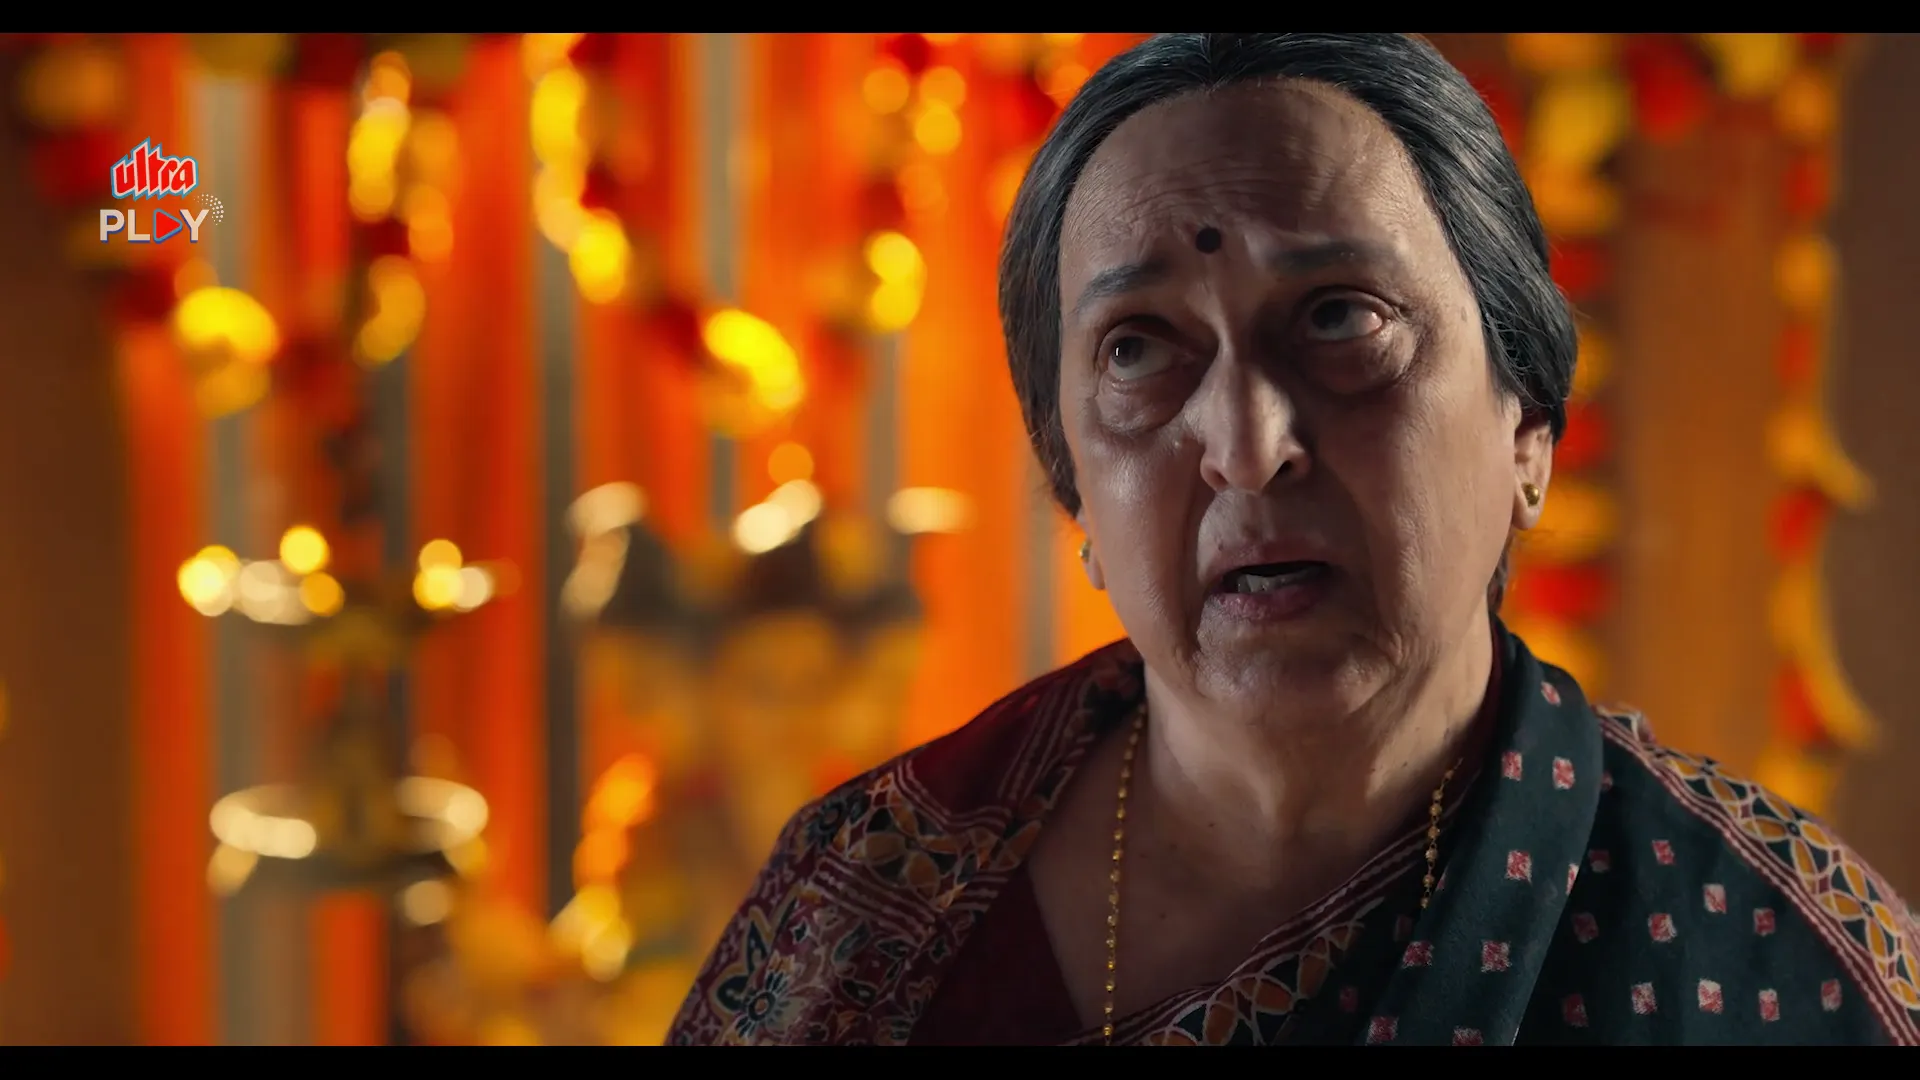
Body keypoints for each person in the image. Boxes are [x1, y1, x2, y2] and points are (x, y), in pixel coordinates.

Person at [665, 32, 1920, 1046]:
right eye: (1139, 349)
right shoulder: (872, 900)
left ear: (1528, 431)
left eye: (1339, 320)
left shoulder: (1762, 959)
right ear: (1075, 491)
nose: (1246, 442)